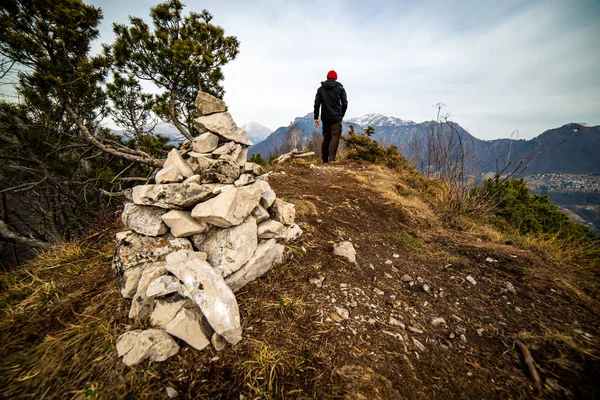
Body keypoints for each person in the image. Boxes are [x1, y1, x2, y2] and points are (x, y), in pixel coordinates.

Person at [314, 70, 348, 163]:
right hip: (336, 117)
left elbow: (317, 104)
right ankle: (331, 158)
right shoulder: (340, 89)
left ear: (327, 77)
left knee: (326, 137)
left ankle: (324, 159)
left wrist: (316, 117)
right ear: (336, 78)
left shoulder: (321, 89)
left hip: (325, 117)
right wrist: (342, 114)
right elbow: (345, 103)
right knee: (335, 136)